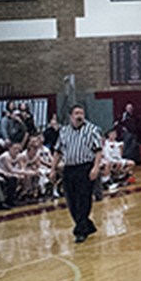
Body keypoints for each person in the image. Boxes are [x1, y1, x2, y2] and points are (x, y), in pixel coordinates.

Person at [52, 104, 103, 243]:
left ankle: (80, 231)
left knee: (83, 199)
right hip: (69, 168)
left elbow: (98, 150)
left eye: (81, 113)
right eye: (76, 113)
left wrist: (95, 168)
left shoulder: (92, 130)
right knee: (71, 200)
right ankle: (87, 225)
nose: (79, 115)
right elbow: (58, 151)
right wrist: (52, 169)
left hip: (85, 167)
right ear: (71, 116)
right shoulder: (64, 131)